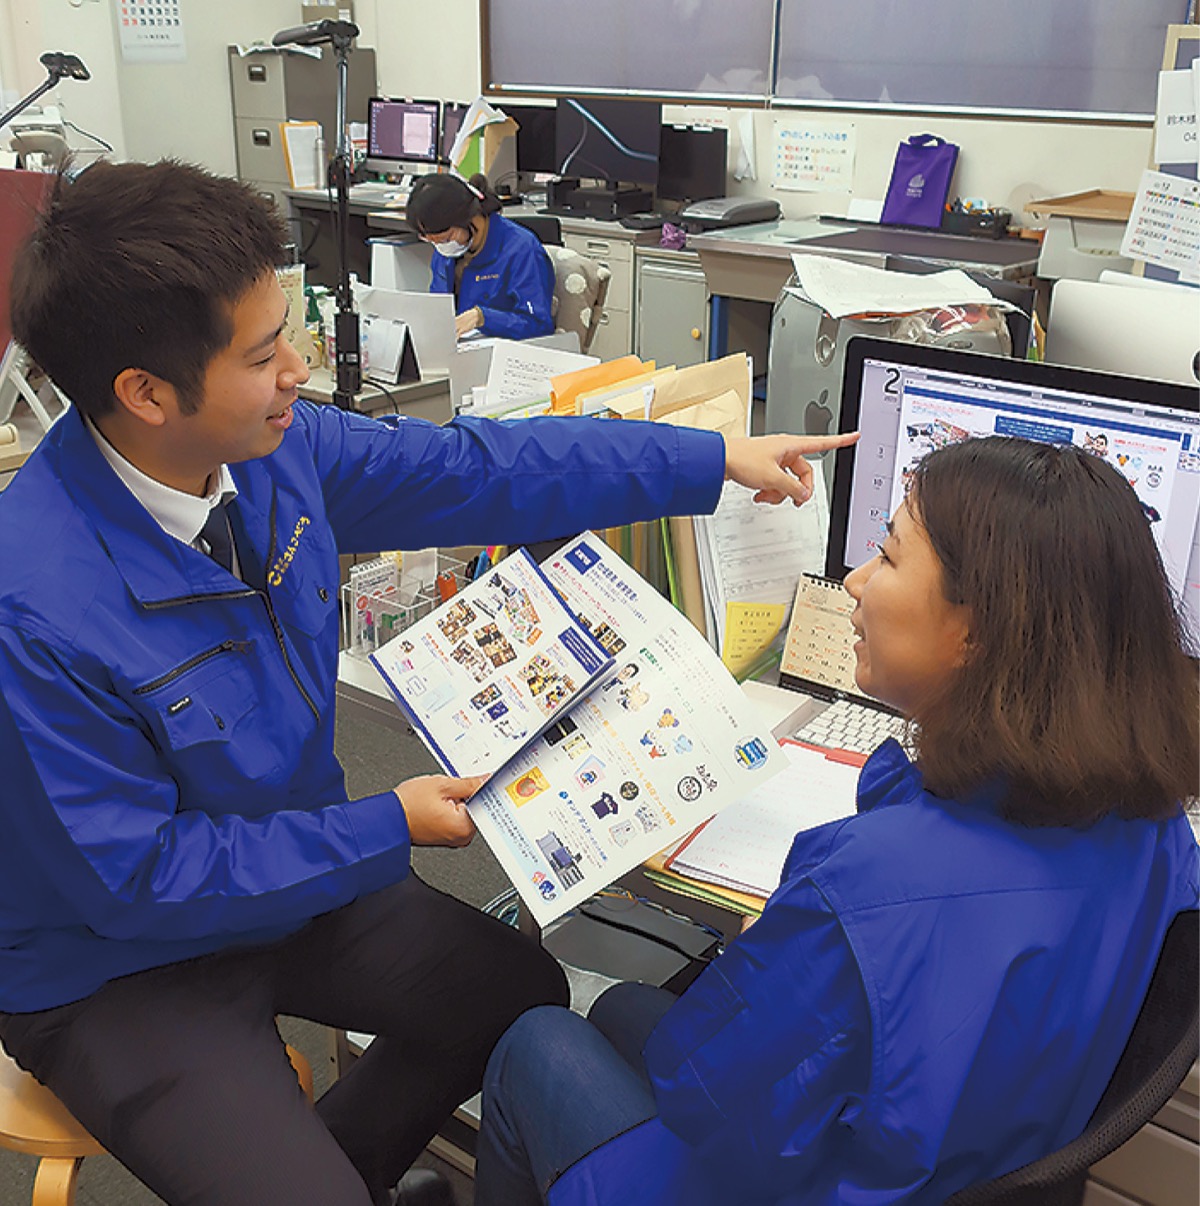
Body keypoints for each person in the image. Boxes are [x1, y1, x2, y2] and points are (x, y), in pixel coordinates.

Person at [0, 158, 850, 1206]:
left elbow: (480, 469)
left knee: (517, 994)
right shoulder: (30, 606)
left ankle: (344, 1171)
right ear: (144, 392)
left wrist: (709, 458)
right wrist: (385, 827)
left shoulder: (276, 450)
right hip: (118, 962)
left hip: (293, 881)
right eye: (266, 355)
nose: (301, 370)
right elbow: (139, 882)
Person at [474, 436, 1200, 1206]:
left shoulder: (861, 893)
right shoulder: (1157, 827)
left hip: (815, 1184)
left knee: (537, 1042)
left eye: (887, 558)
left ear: (979, 630)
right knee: (624, 1008)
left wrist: (773, 952)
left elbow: (714, 1107)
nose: (853, 582)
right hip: (977, 1149)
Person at [407, 172, 553, 341]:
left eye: (446, 238)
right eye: (431, 241)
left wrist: (482, 318)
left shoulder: (521, 250)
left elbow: (539, 325)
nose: (441, 246)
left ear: (470, 218)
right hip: (457, 349)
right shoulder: (446, 251)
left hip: (504, 353)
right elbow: (437, 308)